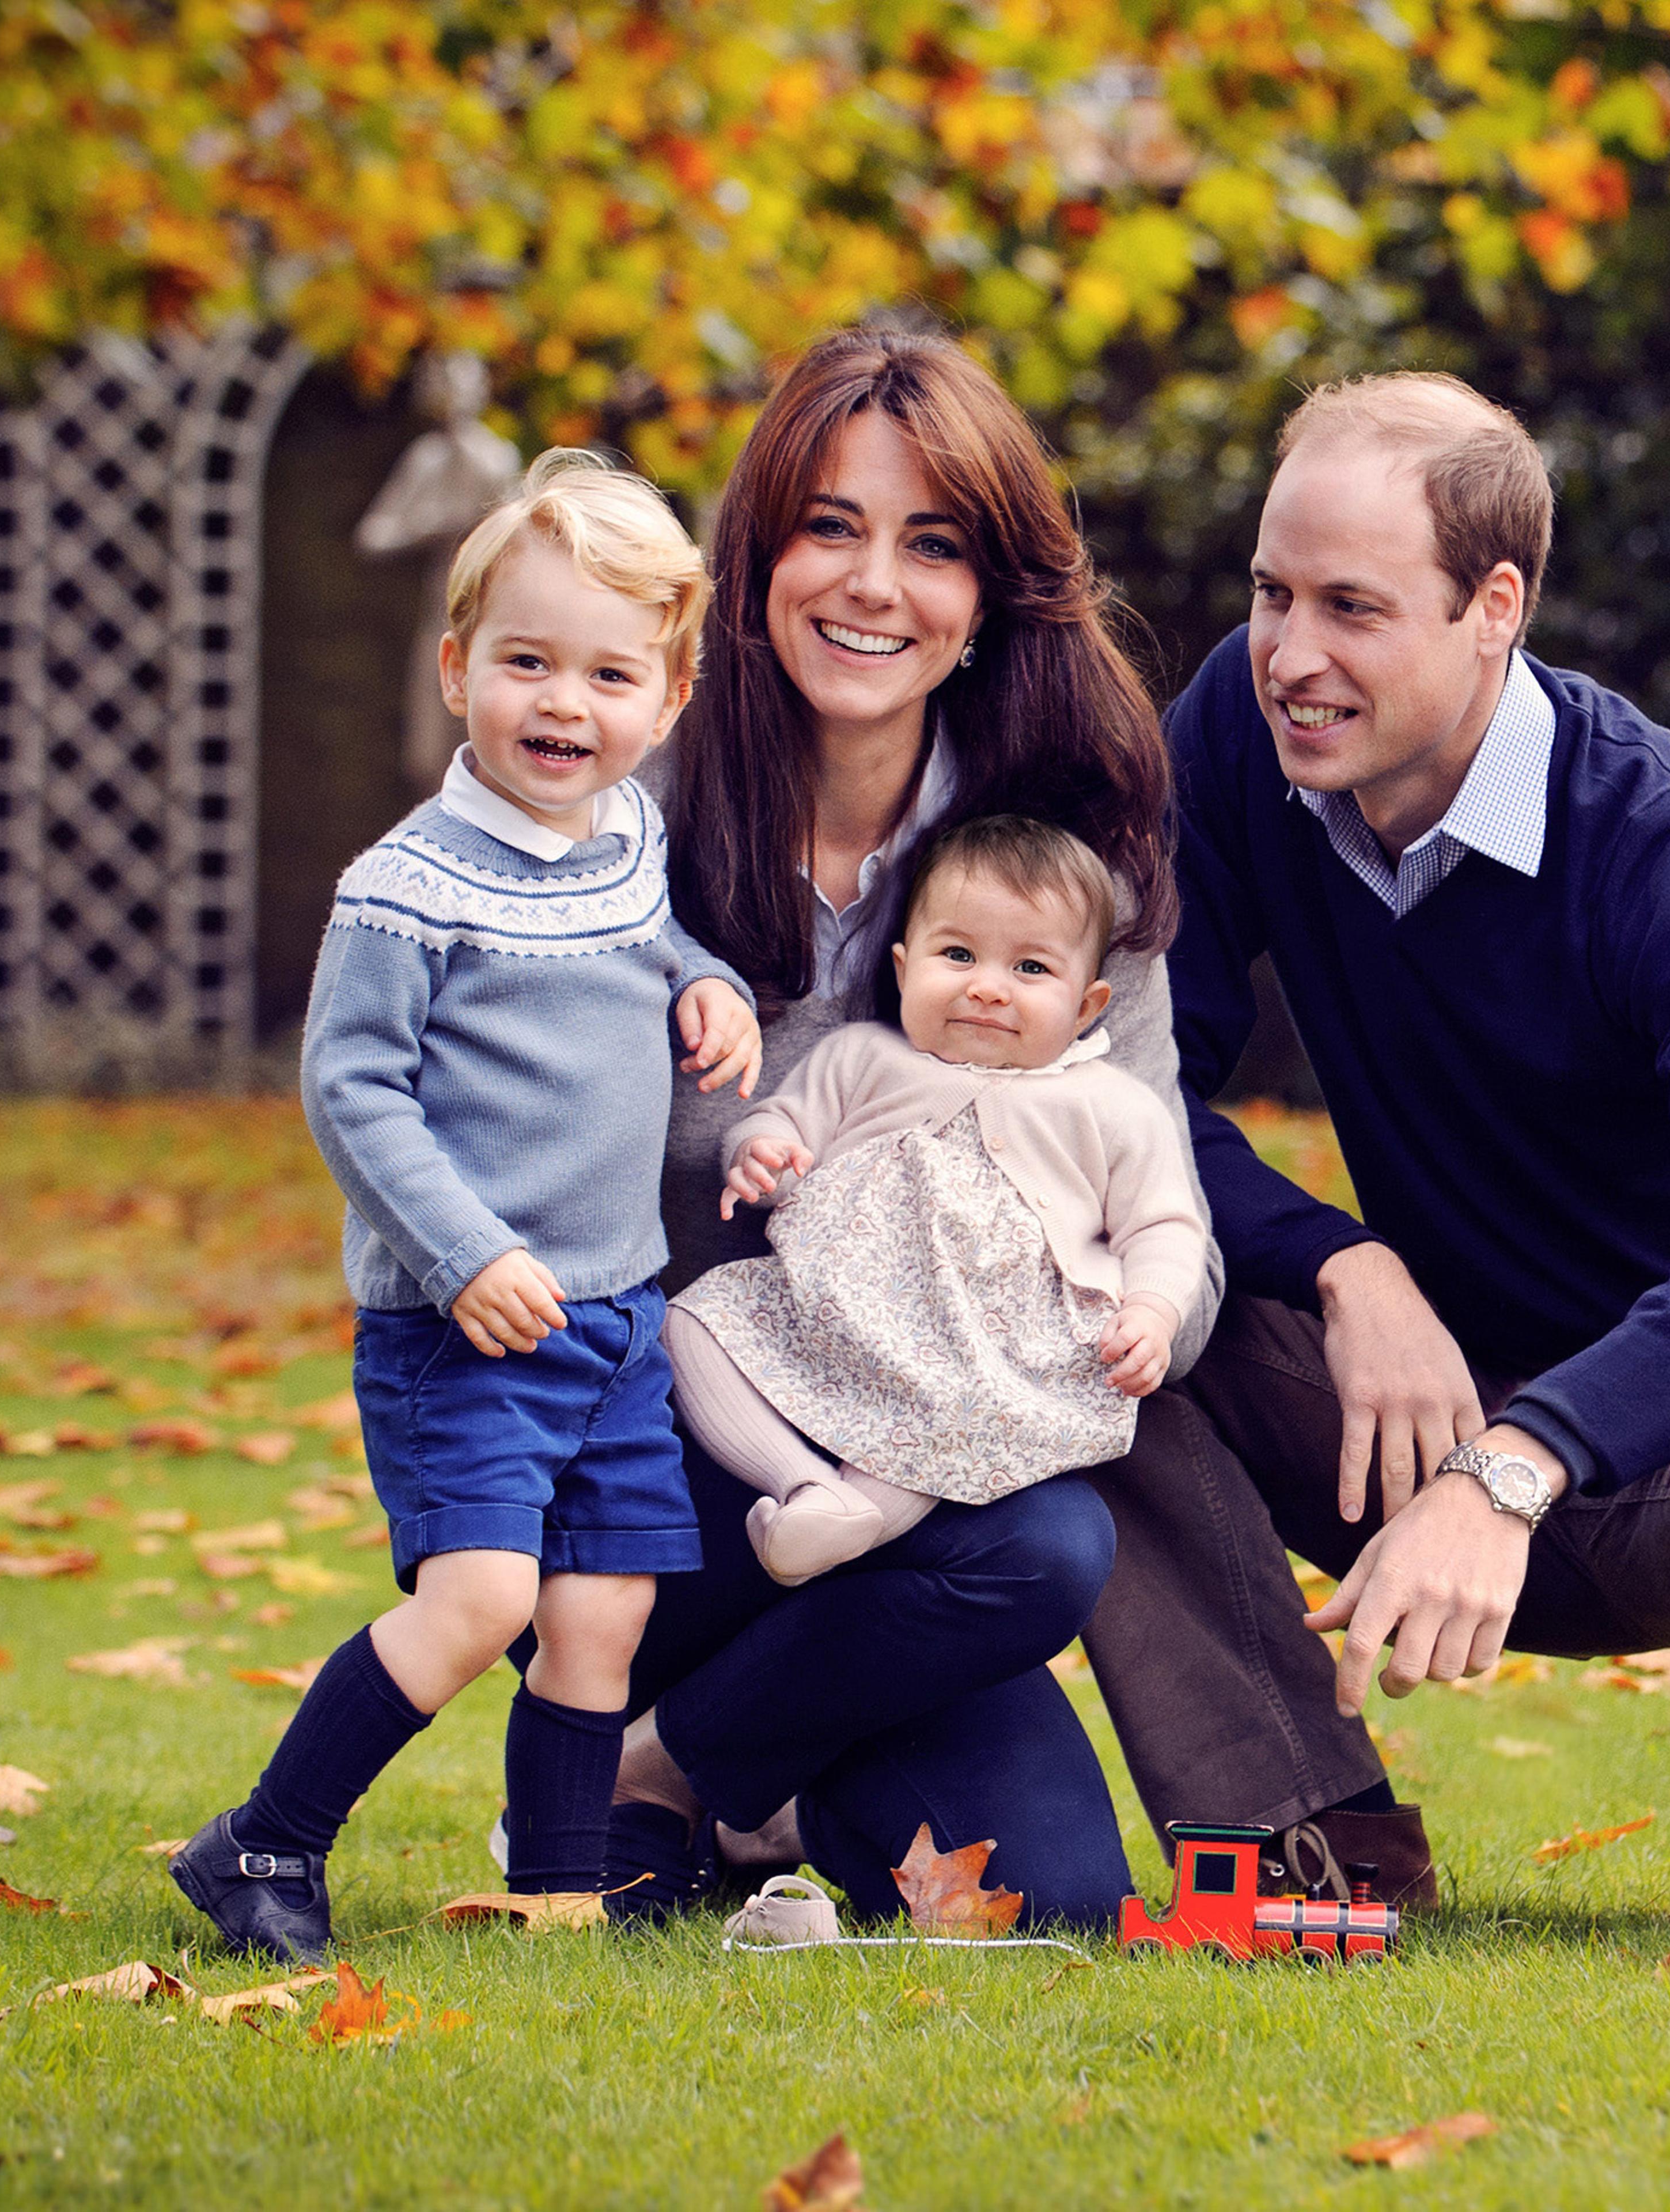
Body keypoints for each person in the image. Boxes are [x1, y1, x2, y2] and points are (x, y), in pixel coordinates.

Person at [1083, 371, 1670, 1918]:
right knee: (1081, 1287)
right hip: (1414, 1411)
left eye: (1353, 608)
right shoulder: (1241, 727)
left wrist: (1520, 1459)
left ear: (1494, 605)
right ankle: (1312, 1838)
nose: (1292, 656)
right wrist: (1344, 1264)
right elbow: (1116, 1082)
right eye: (1271, 594)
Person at [578, 327, 1224, 1930]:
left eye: (930, 544)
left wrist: (1104, 1321)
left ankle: (677, 1772)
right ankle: (685, 1743)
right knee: (994, 1548)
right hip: (662, 1466)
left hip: (934, 1494)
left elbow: (1166, 1211)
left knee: (1052, 1881)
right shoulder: (624, 825)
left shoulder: (1067, 869)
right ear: (756, 556)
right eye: (829, 528)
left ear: (991, 592)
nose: (874, 586)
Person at [171, 452, 760, 1964]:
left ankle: (556, 1887)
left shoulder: (627, 840)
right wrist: (467, 1252)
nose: (565, 704)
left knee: (602, 1618)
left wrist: (709, 985)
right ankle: (262, 1844)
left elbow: (656, 944)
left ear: (670, 695)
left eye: (609, 673)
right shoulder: (405, 886)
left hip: (619, 1316)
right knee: (484, 1595)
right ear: (458, 671)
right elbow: (352, 1092)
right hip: (468, 1326)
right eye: (527, 663)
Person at [672, 815, 1205, 1585]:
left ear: (1088, 1006)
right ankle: (806, 1488)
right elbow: (784, 1127)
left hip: (985, 1346)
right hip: (828, 1309)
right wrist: (763, 1156)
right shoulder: (862, 1058)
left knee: (952, 1415)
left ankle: (853, 1515)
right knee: (690, 1325)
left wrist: (1152, 1310)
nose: (986, 985)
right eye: (957, 955)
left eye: (1030, 969)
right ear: (902, 967)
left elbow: (1163, 1223)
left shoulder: (1110, 1107)